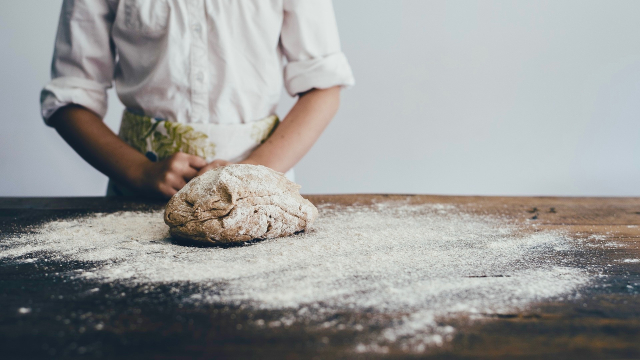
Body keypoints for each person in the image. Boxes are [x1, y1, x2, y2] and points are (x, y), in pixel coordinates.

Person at [40, 0, 354, 198]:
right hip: (139, 196)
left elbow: (323, 87)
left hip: (260, 193)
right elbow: (69, 97)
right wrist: (139, 172)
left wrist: (252, 172)